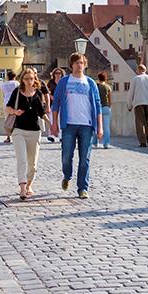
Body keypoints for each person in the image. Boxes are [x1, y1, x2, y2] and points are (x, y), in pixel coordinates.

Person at [50, 52, 102, 198]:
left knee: (85, 158)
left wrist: (100, 126)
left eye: (82, 63)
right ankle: (67, 176)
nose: (79, 65)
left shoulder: (90, 83)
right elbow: (56, 104)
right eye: (77, 62)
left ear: (85, 65)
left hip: (87, 125)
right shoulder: (64, 82)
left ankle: (82, 188)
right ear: (71, 65)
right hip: (69, 125)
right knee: (66, 156)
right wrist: (54, 124)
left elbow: (97, 106)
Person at [6, 68, 47, 200]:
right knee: (22, 160)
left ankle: (29, 185)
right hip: (19, 131)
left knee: (32, 164)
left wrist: (51, 123)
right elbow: (8, 107)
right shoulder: (17, 92)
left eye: (31, 78)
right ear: (22, 80)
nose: (29, 81)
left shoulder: (38, 93)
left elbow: (41, 112)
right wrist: (14, 112)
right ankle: (22, 188)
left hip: (35, 131)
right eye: (26, 79)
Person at [129, 63, 148, 147]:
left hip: (138, 103)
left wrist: (129, 105)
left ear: (139, 70)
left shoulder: (135, 79)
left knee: (140, 123)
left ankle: (142, 141)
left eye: (137, 70)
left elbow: (131, 93)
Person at [95, 71, 113, 148]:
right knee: (106, 127)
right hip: (106, 107)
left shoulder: (96, 86)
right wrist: (109, 106)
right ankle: (106, 143)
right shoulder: (108, 87)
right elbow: (110, 99)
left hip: (97, 108)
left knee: (96, 126)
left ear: (98, 78)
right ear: (105, 79)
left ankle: (95, 142)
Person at [45, 68, 64, 142]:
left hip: (61, 103)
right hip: (52, 103)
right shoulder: (51, 82)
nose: (58, 74)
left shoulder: (63, 82)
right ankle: (51, 135)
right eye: (56, 73)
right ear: (54, 74)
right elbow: (47, 91)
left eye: (59, 73)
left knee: (60, 119)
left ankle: (61, 135)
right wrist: (50, 97)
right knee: (52, 119)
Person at [0, 71, 19, 144]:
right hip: (15, 103)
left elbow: (3, 92)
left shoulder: (3, 84)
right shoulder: (17, 83)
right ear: (14, 76)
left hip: (6, 102)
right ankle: (16, 136)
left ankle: (8, 137)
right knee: (16, 120)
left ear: (7, 76)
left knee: (7, 119)